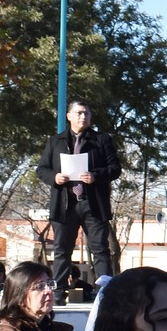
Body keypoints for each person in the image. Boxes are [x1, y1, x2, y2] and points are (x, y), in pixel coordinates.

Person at [37, 100, 121, 300]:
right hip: (65, 203)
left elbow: (115, 168)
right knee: (61, 250)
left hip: (92, 203)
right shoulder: (55, 141)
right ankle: (57, 293)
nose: (83, 117)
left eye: (87, 114)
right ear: (69, 116)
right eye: (79, 113)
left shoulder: (102, 140)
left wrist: (95, 176)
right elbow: (41, 169)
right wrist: (55, 178)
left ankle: (105, 293)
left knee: (100, 249)